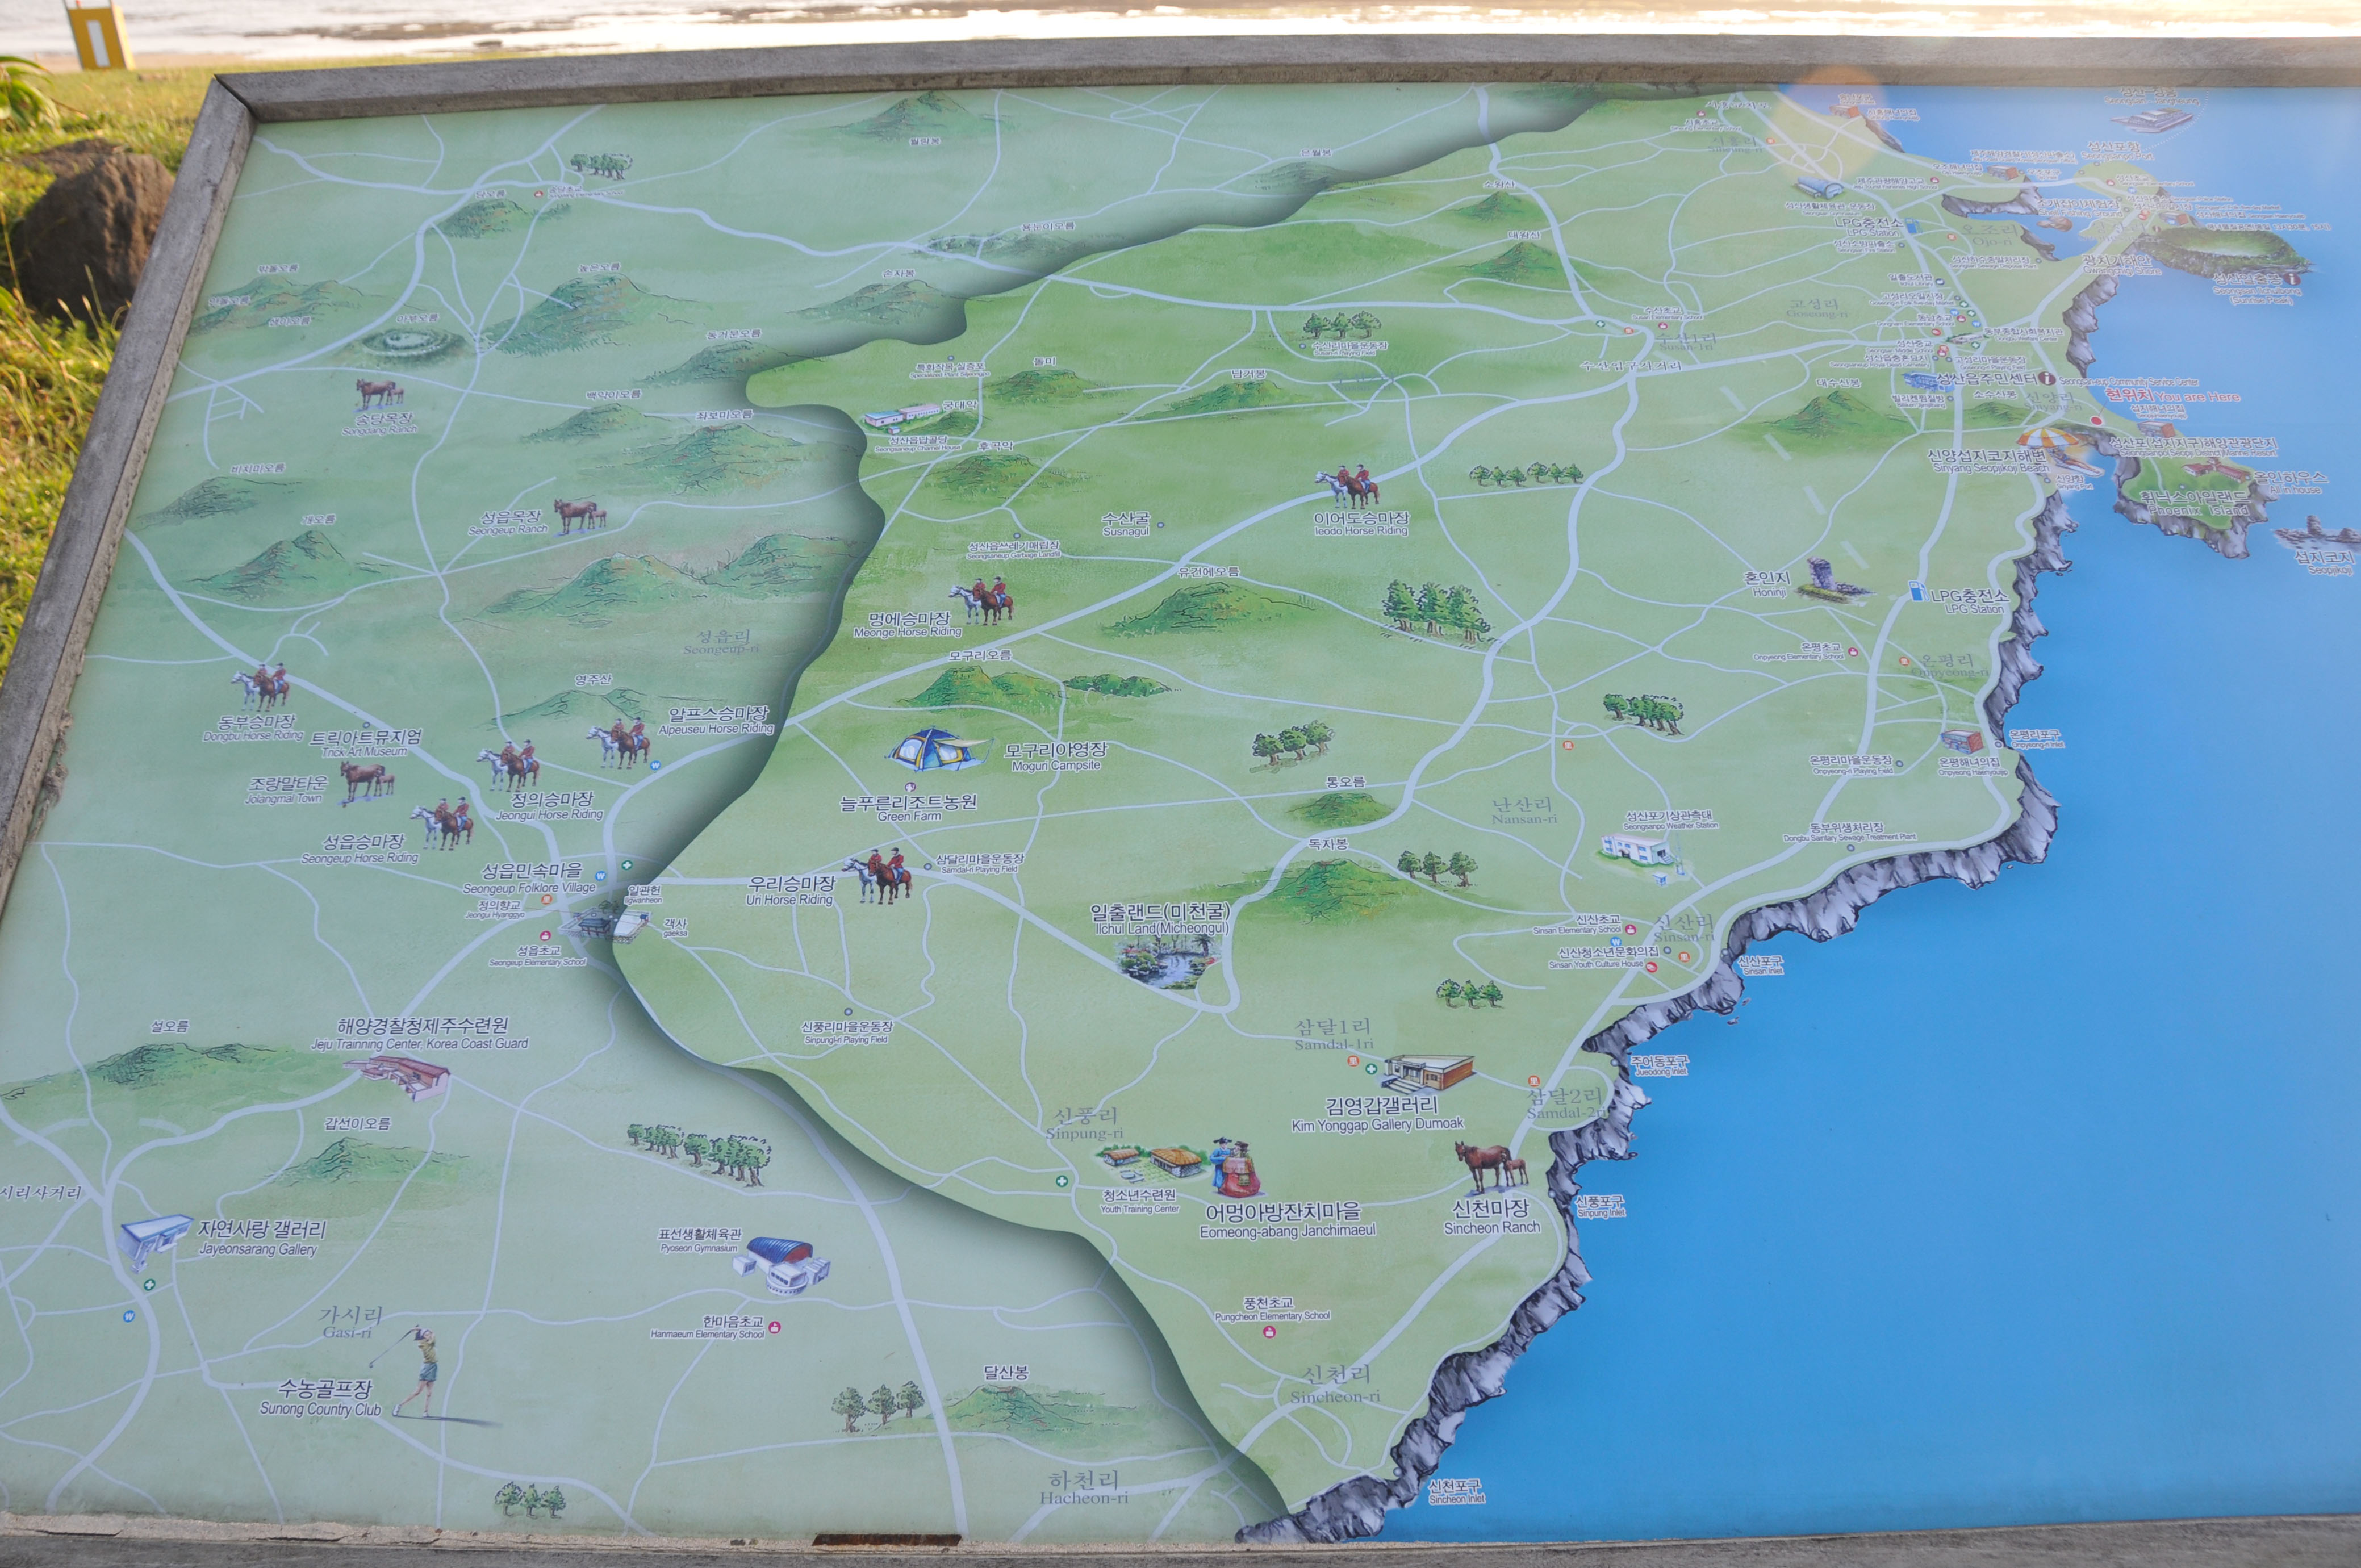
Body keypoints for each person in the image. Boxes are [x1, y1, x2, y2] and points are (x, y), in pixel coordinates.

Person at [393, 1327, 438, 1415]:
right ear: (423, 1337)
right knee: (418, 1391)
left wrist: (419, 1329)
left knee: (429, 1393)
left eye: (429, 1334)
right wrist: (419, 1330)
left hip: (434, 1367)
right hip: (427, 1368)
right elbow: (432, 1336)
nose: (429, 1336)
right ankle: (399, 1406)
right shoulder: (422, 1344)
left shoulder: (430, 1341)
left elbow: (433, 1333)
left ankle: (426, 1412)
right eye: (427, 1335)